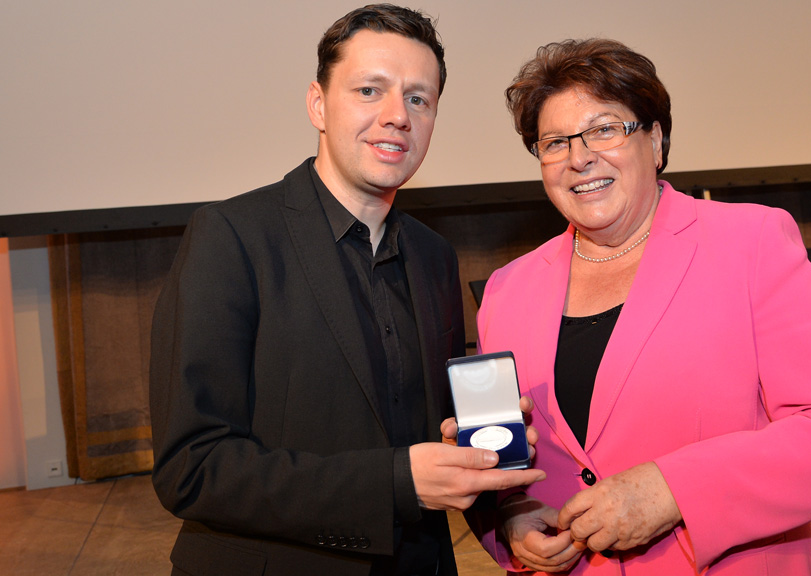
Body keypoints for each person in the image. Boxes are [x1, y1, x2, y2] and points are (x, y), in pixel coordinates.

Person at [457, 38, 811, 575]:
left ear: (656, 140)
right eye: (554, 142)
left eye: (605, 129)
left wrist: (674, 489)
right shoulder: (507, 289)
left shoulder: (751, 243)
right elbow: (508, 460)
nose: (579, 157)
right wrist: (510, 519)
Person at [148, 5, 545, 575]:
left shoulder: (434, 257)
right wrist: (394, 483)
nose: (397, 116)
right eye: (369, 90)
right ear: (318, 104)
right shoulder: (230, 238)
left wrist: (503, 502)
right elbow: (192, 468)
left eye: (418, 99)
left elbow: (434, 446)